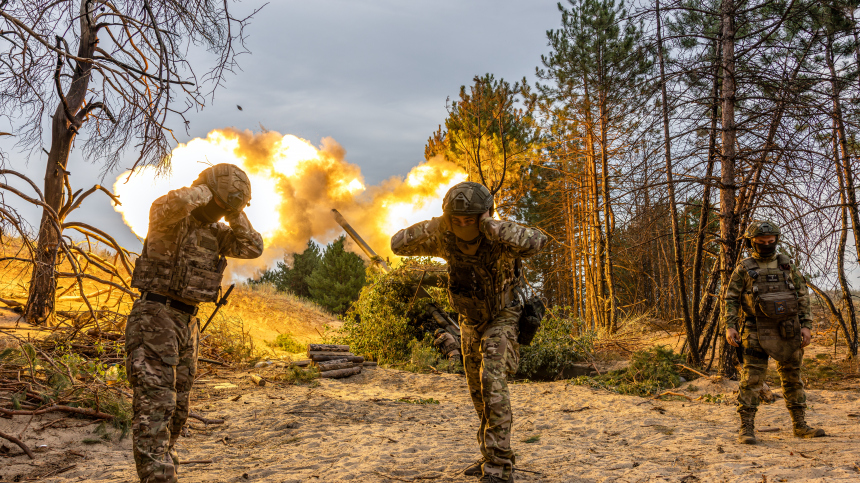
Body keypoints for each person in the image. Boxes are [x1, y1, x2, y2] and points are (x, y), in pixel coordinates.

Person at [391, 182, 546, 483]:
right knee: (477, 391)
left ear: (485, 213)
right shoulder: (445, 237)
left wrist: (492, 225)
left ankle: (500, 468)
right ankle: (490, 454)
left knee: (493, 381)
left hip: (503, 316)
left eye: (470, 219)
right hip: (469, 321)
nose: (463, 225)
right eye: (457, 219)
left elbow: (537, 242)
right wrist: (437, 224)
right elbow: (398, 244)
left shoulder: (499, 238)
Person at [125, 163, 264, 482]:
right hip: (154, 317)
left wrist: (235, 211)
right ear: (204, 193)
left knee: (178, 407)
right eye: (218, 204)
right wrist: (206, 190)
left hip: (188, 324)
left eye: (224, 209)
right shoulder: (168, 216)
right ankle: (158, 475)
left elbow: (253, 247)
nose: (218, 212)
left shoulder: (219, 233)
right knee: (155, 403)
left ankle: (163, 463)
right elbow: (175, 205)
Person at [724, 220, 825, 445]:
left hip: (788, 329)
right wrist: (730, 326)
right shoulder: (744, 268)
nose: (767, 245)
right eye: (761, 242)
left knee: (793, 378)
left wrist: (806, 325)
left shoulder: (787, 265)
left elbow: (802, 295)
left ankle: (800, 425)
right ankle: (746, 428)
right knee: (751, 379)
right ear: (752, 242)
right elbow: (731, 298)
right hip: (755, 329)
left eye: (771, 242)